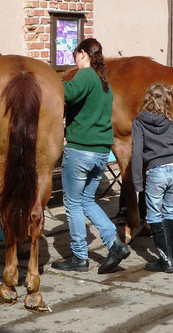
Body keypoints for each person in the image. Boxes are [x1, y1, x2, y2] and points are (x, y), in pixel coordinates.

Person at [51, 38, 131, 274]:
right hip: (100, 153)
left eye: (76, 55)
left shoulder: (85, 75)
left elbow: (67, 93)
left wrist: (51, 80)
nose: (75, 60)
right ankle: (115, 244)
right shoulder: (104, 82)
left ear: (83, 54)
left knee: (72, 203)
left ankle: (79, 256)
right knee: (86, 201)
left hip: (80, 150)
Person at [130, 83, 173, 273]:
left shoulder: (139, 122)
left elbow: (137, 153)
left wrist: (137, 182)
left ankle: (165, 260)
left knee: (154, 214)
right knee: (170, 211)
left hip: (156, 170)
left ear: (147, 98)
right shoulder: (170, 120)